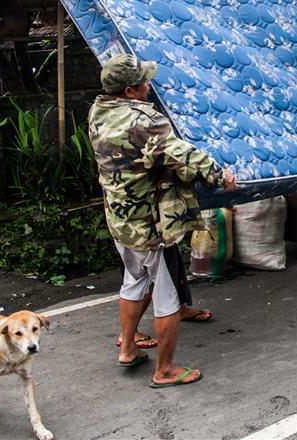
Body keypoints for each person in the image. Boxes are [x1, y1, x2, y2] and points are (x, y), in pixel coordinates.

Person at [89, 53, 236, 387]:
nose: (149, 84)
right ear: (129, 90)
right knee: (166, 296)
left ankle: (128, 347)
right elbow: (181, 154)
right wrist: (219, 175)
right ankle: (165, 370)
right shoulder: (144, 118)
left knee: (134, 280)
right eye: (143, 80)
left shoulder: (98, 110)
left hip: (120, 217)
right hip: (151, 224)